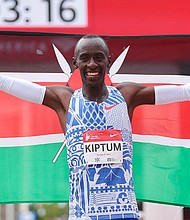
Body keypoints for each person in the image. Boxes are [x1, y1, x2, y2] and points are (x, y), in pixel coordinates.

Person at [0, 34, 190, 220]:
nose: (92, 64)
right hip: (83, 214)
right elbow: (13, 85)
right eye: (85, 58)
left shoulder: (125, 96)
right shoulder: (65, 100)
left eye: (98, 57)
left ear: (108, 61)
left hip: (124, 213)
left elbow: (183, 91)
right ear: (75, 63)